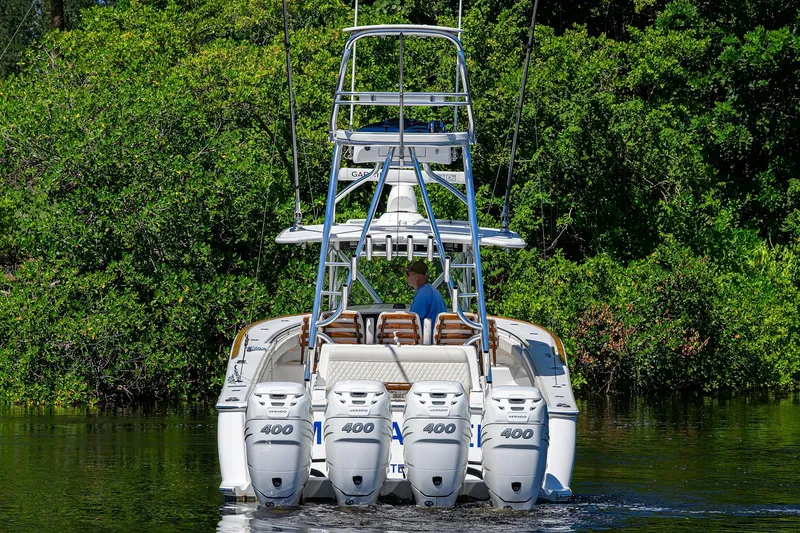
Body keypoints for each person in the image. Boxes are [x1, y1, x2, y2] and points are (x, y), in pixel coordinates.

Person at [406, 260, 446, 326]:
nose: (407, 277)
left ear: (417, 276)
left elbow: (412, 321)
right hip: (435, 331)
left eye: (408, 274)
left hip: (428, 333)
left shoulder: (423, 294)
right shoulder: (431, 290)